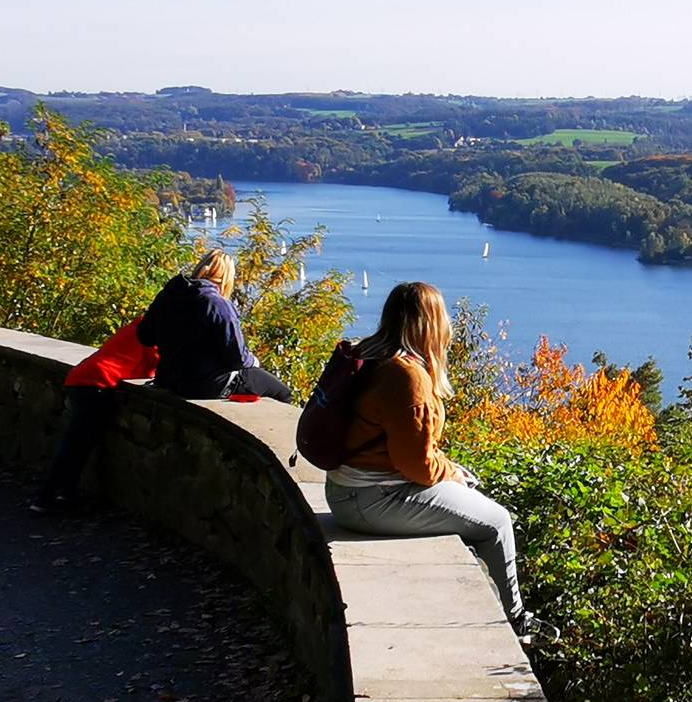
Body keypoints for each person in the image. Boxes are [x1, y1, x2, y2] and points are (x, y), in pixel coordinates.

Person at [325, 282, 530, 629]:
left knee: (466, 498)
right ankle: (516, 621)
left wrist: (449, 472)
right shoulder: (406, 376)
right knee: (497, 523)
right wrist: (453, 473)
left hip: (344, 490)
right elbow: (417, 467)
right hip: (371, 500)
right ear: (432, 324)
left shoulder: (369, 355)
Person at [30, 313, 161, 514]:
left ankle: (65, 494)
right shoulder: (153, 335)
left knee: (79, 444)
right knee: (74, 446)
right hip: (96, 384)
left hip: (82, 379)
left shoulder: (136, 327)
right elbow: (153, 368)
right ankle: (45, 498)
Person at [139, 250, 291, 400]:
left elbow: (145, 336)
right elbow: (237, 358)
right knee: (282, 392)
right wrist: (254, 361)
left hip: (169, 379)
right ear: (226, 279)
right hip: (205, 385)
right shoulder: (218, 305)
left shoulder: (168, 295)